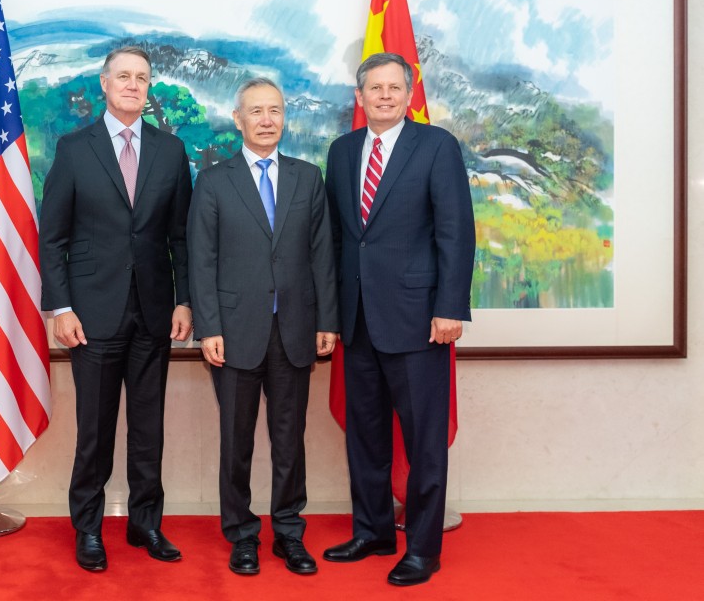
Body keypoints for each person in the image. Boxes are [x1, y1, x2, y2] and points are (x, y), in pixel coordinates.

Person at [323, 52, 476, 586]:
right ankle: (372, 531)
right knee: (365, 436)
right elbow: (339, 240)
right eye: (374, 88)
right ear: (359, 97)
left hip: (418, 320)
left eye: (394, 87)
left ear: (408, 94)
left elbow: (456, 233)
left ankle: (423, 549)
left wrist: (450, 307)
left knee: (423, 441)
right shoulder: (341, 152)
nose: (384, 96)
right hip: (357, 319)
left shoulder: (436, 147)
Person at [38, 46, 193, 572]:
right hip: (91, 314)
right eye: (123, 76)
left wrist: (185, 300)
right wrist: (60, 307)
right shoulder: (74, 148)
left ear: (149, 89)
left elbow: (180, 237)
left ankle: (145, 523)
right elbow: (52, 237)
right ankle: (88, 528)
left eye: (142, 78)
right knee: (96, 430)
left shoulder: (171, 152)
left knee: (149, 428)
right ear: (104, 84)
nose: (133, 85)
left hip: (153, 310)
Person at [187, 78, 339, 576]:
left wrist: (327, 321)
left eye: (275, 110)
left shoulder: (306, 177)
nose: (267, 119)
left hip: (295, 330)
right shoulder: (213, 181)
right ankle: (242, 534)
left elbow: (323, 255)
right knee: (237, 442)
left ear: (284, 117)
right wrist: (208, 326)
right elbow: (200, 260)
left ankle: (289, 532)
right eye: (257, 111)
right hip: (232, 333)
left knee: (289, 439)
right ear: (238, 119)